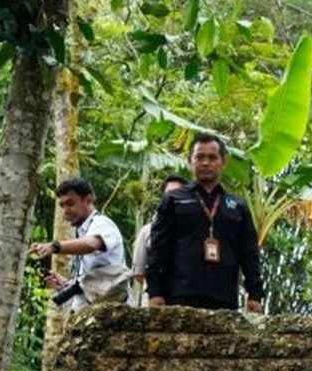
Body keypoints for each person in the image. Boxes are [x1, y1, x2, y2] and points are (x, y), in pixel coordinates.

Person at [146, 134, 265, 312]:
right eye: (199, 157)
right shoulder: (173, 200)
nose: (205, 163)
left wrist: (255, 294)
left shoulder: (237, 206)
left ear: (223, 163)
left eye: (212, 157)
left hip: (224, 297)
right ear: (189, 161)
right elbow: (158, 248)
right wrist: (155, 292)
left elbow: (249, 253)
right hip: (179, 294)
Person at [29, 177, 128, 311]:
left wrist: (55, 246)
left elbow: (91, 244)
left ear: (88, 200)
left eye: (70, 203)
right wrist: (66, 284)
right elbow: (94, 280)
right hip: (90, 310)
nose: (65, 211)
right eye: (62, 205)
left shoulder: (101, 223)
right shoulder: (82, 231)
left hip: (111, 310)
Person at [132, 174, 187, 306]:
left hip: (185, 298)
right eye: (169, 194)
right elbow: (139, 273)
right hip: (154, 299)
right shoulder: (147, 231)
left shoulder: (193, 232)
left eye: (178, 194)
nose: (173, 199)